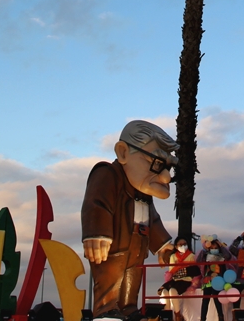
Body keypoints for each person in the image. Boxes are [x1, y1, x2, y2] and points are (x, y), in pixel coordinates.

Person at [81, 120, 179, 317]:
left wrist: (163, 245)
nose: (166, 177)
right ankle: (106, 311)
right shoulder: (107, 174)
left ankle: (129, 308)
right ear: (123, 152)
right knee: (110, 279)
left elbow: (153, 219)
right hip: (113, 247)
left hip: (137, 246)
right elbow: (96, 204)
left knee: (132, 280)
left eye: (168, 167)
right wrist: (96, 232)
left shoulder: (142, 190)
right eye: (157, 163)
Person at [160, 236, 200, 321]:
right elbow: (171, 271)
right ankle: (167, 314)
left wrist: (179, 266)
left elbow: (194, 270)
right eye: (180, 244)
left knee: (172, 291)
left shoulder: (192, 255)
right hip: (175, 279)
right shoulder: (173, 256)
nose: (183, 246)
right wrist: (182, 266)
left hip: (186, 280)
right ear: (176, 246)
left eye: (185, 244)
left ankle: (178, 315)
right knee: (164, 291)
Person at [197, 235, 234, 321]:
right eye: (212, 247)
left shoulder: (222, 256)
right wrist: (205, 248)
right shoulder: (206, 255)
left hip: (219, 280)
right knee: (205, 300)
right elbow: (198, 261)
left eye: (216, 247)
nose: (214, 249)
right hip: (208, 280)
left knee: (216, 297)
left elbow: (228, 256)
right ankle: (202, 319)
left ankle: (221, 317)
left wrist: (221, 245)